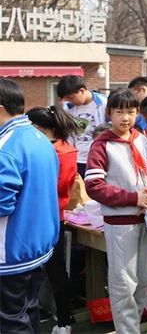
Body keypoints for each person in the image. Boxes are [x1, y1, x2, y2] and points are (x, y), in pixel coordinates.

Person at [84, 88, 147, 334]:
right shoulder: (101, 145)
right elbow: (94, 186)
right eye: (120, 112)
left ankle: (131, 327)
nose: (125, 118)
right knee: (123, 283)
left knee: (141, 281)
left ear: (137, 113)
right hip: (120, 222)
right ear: (109, 113)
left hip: (145, 218)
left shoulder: (141, 139)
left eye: (130, 112)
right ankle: (127, 330)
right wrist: (134, 197)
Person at [0, 79, 60, 333]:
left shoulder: (6, 147)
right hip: (37, 247)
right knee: (28, 311)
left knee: (10, 321)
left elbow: (3, 203)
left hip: (10, 252)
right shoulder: (38, 136)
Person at [27, 105, 83, 334]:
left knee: (40, 271)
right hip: (56, 216)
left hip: (38, 217)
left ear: (38, 127)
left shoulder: (46, 151)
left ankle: (59, 319)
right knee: (56, 269)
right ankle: (63, 318)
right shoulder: (66, 149)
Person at [57, 75, 107, 177]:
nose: (70, 102)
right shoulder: (68, 108)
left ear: (82, 90)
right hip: (78, 159)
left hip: (100, 157)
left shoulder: (103, 103)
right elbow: (68, 134)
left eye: (71, 98)